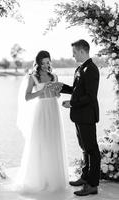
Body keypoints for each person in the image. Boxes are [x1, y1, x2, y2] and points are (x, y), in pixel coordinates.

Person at [15, 50, 69, 194]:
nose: (46, 65)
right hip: (41, 110)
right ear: (38, 63)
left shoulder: (54, 76)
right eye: (43, 62)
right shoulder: (33, 77)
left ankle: (53, 179)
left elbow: (56, 96)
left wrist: (56, 92)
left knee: (53, 141)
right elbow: (27, 97)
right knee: (40, 141)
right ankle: (38, 179)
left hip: (53, 110)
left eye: (48, 62)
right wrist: (42, 90)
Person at [57, 39, 101, 196]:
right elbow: (76, 90)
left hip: (87, 116)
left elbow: (90, 96)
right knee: (84, 148)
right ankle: (85, 176)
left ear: (82, 51)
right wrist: (60, 86)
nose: (73, 55)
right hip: (79, 116)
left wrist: (72, 103)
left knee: (92, 150)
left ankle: (93, 185)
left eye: (74, 52)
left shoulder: (91, 70)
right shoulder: (80, 68)